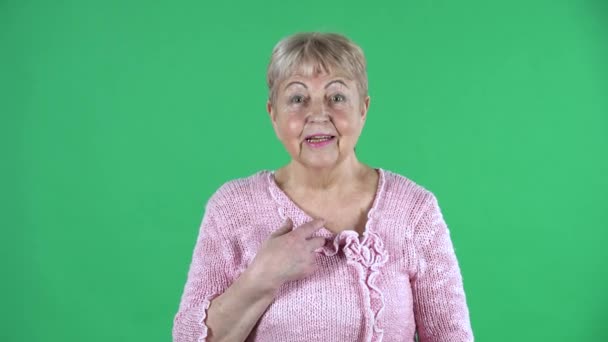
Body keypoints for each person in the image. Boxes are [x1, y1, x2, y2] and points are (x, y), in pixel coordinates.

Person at [172, 31, 474, 342]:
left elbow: (452, 336)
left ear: (363, 109)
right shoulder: (232, 207)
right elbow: (186, 337)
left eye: (337, 97)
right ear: (273, 114)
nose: (317, 114)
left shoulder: (414, 209)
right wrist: (261, 277)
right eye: (297, 99)